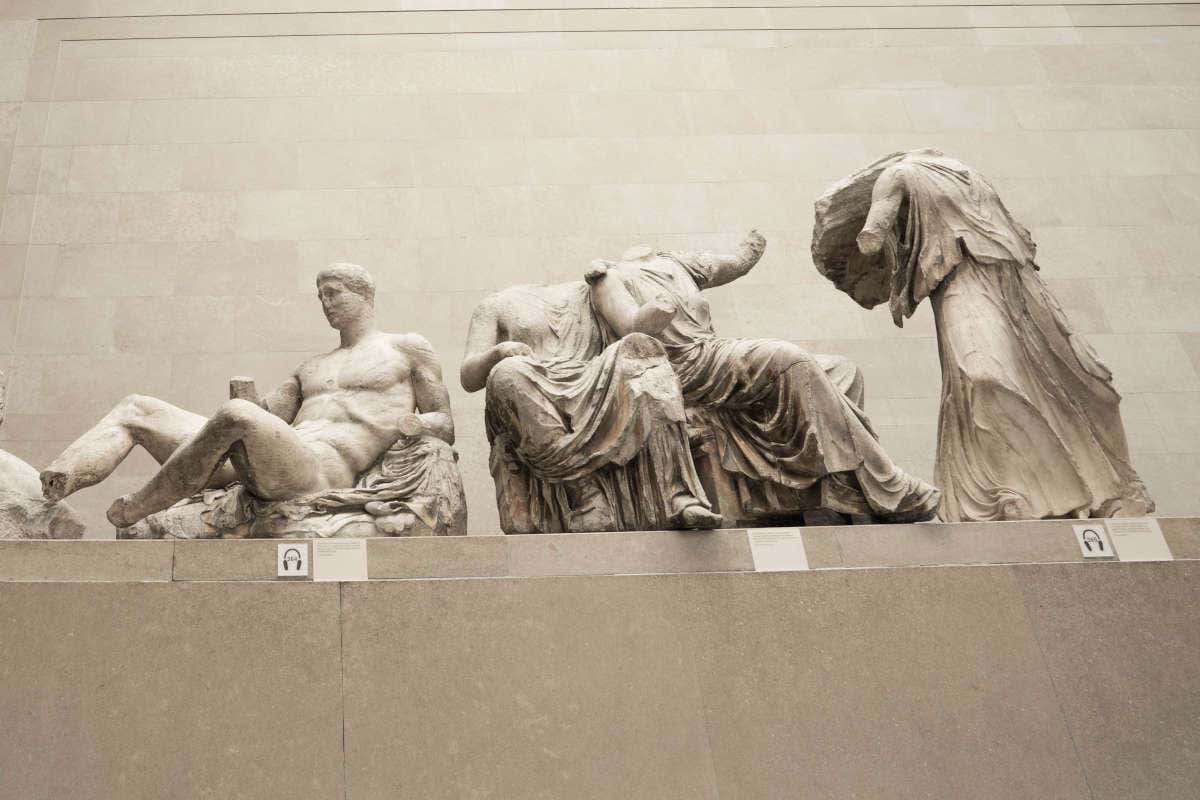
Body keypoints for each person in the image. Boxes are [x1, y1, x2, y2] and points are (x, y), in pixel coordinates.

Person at [41, 263, 464, 532]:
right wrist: (249, 401)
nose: (325, 303)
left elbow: (444, 422)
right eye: (320, 296)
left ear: (363, 295)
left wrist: (416, 425)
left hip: (321, 473)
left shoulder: (406, 348)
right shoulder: (311, 367)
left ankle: (139, 507)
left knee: (237, 415)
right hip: (270, 461)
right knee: (139, 407)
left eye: (333, 292)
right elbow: (266, 416)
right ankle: (57, 481)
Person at [854, 151, 1153, 521]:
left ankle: (1103, 491)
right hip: (962, 281)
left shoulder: (935, 174)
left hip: (1016, 282)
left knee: (1079, 379)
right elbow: (871, 236)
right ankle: (1013, 490)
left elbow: (871, 238)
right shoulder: (909, 175)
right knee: (983, 375)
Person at [586, 231, 941, 523]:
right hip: (682, 367)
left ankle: (834, 491)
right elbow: (633, 332)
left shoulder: (678, 264)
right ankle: (885, 482)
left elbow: (736, 263)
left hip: (714, 354)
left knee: (841, 370)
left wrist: (754, 244)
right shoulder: (608, 277)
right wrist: (656, 312)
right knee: (787, 358)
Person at [461, 279, 722, 533]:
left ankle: (677, 495)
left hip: (595, 380)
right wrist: (498, 353)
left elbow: (632, 327)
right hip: (534, 383)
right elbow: (469, 377)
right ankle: (583, 491)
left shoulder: (598, 288)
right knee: (508, 372)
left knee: (644, 352)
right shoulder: (496, 304)